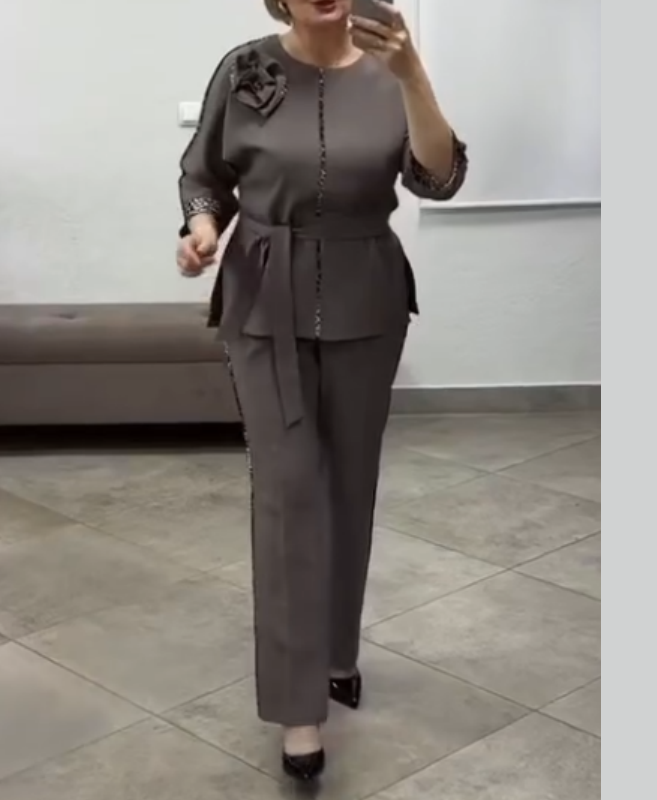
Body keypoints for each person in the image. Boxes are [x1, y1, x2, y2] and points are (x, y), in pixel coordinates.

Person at [175, 0, 467, 782]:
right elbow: (204, 177)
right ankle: (298, 706)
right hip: (262, 300)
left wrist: (414, 75)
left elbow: (439, 177)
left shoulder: (395, 69)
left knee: (349, 484)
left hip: (367, 299)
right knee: (287, 491)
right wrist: (201, 230)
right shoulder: (243, 69)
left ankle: (337, 651)